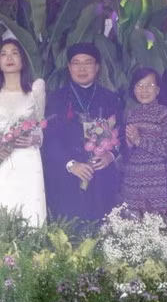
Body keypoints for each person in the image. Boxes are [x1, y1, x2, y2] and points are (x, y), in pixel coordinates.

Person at [43, 42, 123, 222]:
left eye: (87, 63)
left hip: (101, 176)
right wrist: (72, 164)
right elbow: (50, 139)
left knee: (102, 227)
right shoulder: (56, 98)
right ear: (69, 67)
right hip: (67, 176)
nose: (82, 68)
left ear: (97, 67)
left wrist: (110, 155)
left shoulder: (110, 98)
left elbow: (122, 133)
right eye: (76, 63)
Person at [0, 39, 46, 227]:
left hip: (27, 157)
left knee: (29, 208)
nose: (9, 57)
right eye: (3, 53)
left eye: (14, 53)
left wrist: (35, 137)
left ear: (23, 59)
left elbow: (41, 124)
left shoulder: (35, 89)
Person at [121, 68, 167, 212]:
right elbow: (128, 153)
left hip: (158, 184)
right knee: (132, 229)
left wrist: (139, 140)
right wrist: (129, 145)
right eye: (139, 85)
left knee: (158, 228)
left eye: (150, 85)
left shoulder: (166, 114)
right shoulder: (131, 114)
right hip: (133, 182)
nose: (144, 90)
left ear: (158, 90)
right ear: (133, 89)